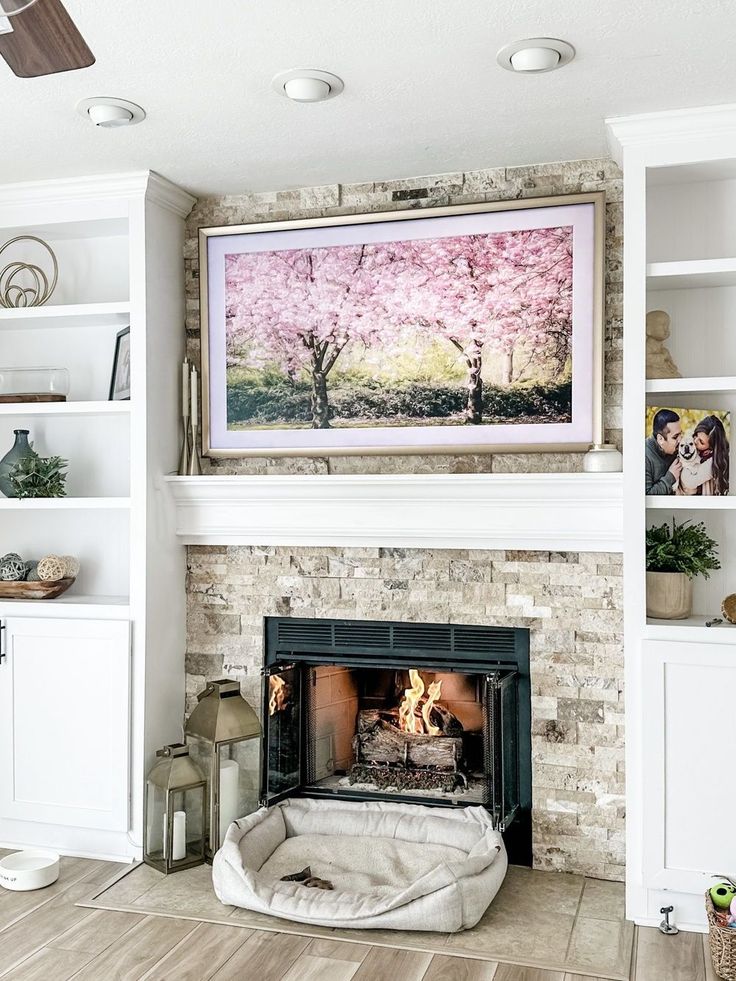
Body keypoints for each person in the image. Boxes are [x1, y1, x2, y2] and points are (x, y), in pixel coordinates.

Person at [645, 408, 681, 494]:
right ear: (660, 439)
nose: (680, 440)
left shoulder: (678, 449)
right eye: (675, 437)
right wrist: (670, 477)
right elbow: (646, 495)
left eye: (681, 434)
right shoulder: (644, 457)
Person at [693, 415, 730, 496]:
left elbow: (689, 482)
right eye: (696, 435)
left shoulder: (712, 462)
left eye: (701, 442)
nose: (695, 441)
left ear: (712, 448)